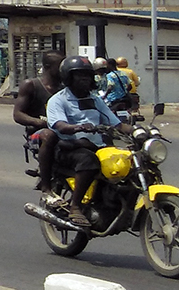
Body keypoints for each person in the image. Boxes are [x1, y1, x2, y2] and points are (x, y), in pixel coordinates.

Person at [47, 55, 131, 229]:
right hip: (68, 147)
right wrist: (79, 127)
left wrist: (141, 131)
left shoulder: (95, 99)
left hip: (96, 145)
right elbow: (60, 125)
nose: (84, 79)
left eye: (87, 75)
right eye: (79, 75)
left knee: (125, 161)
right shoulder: (58, 100)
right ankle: (75, 206)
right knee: (89, 161)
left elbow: (116, 123)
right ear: (69, 77)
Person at [12, 51, 64, 200]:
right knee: (49, 135)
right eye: (60, 66)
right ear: (48, 67)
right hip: (38, 132)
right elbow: (18, 114)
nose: (63, 70)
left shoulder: (65, 88)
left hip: (61, 128)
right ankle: (46, 186)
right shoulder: (31, 85)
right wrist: (39, 122)